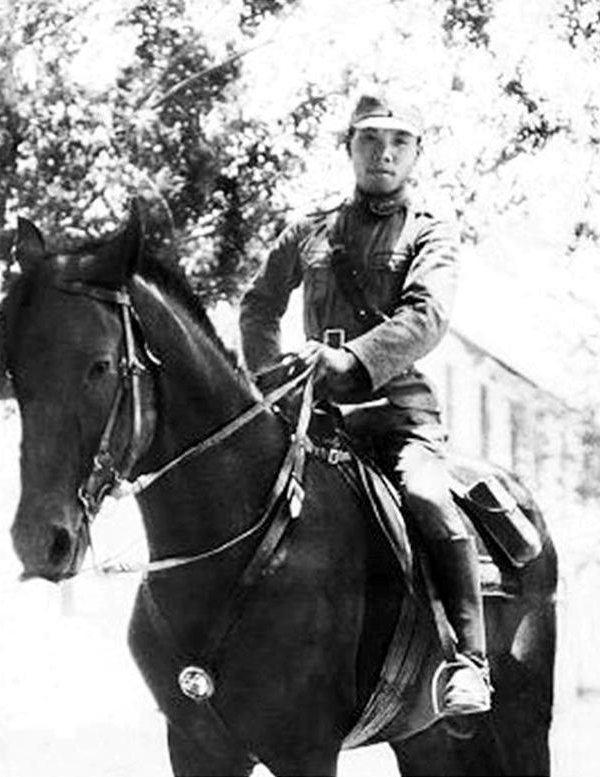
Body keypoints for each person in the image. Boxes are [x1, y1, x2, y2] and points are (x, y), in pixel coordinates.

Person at [239, 92, 491, 716]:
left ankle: (468, 663)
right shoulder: (309, 231)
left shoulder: (431, 230)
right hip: (312, 418)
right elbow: (258, 303)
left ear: (416, 154)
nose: (384, 153)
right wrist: (272, 373)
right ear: (349, 147)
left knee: (430, 499)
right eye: (371, 139)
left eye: (399, 142)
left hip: (398, 415)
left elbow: (426, 315)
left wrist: (352, 360)